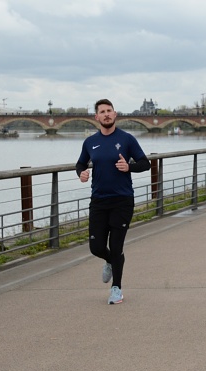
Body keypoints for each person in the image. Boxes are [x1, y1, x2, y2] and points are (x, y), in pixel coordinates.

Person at [76, 99, 150, 304]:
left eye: (109, 111)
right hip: (98, 201)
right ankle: (109, 261)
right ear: (97, 117)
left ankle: (116, 289)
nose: (107, 114)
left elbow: (146, 163)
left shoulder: (126, 139)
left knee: (116, 246)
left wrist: (129, 167)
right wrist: (81, 173)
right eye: (102, 112)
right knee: (96, 247)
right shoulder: (90, 142)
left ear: (115, 114)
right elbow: (80, 163)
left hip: (122, 200)